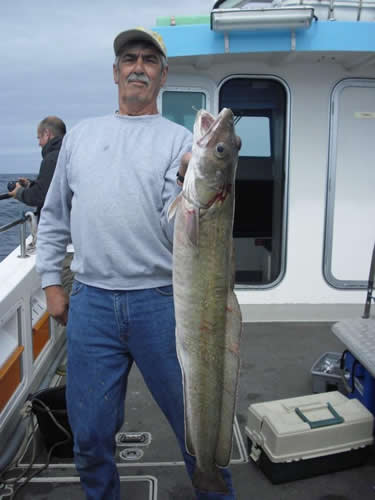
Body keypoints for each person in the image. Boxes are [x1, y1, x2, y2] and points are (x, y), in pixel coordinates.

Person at [36, 27, 235, 499]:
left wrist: (191, 179)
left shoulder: (178, 143)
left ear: (163, 76)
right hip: (92, 303)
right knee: (89, 437)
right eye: (130, 59)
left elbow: (181, 236)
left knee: (197, 430)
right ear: (116, 72)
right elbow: (53, 217)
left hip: (162, 303)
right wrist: (50, 281)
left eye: (149, 60)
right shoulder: (80, 137)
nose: (138, 66)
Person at [9, 116, 66, 219]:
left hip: (55, 227)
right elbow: (55, 188)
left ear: (47, 134)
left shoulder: (52, 158)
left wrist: (19, 192)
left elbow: (40, 196)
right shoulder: (67, 154)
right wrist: (31, 185)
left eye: (39, 138)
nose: (39, 143)